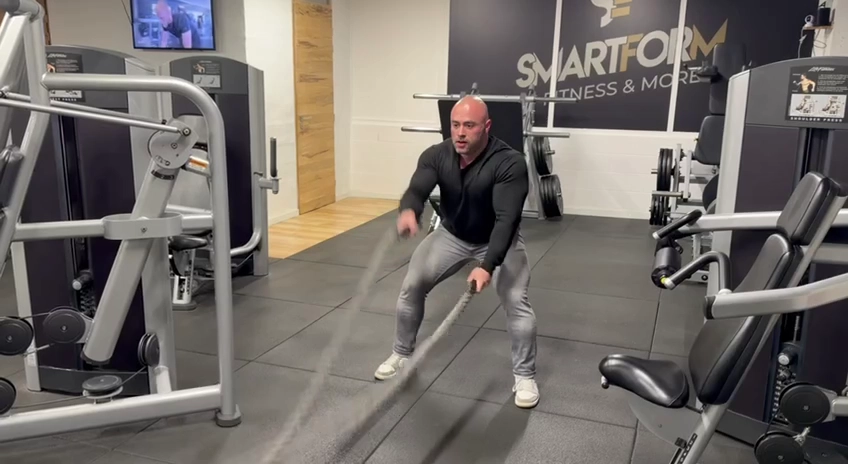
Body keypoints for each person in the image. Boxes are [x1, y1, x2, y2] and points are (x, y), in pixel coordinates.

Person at [373, 96, 540, 408]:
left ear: (486, 127)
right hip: (452, 235)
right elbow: (417, 189)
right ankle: (401, 354)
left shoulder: (510, 162)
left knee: (517, 301)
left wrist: (487, 265)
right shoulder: (437, 155)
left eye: (469, 125)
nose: (460, 133)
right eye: (455, 125)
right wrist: (409, 210)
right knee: (412, 285)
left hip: (498, 239)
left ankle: (524, 376)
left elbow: (506, 220)